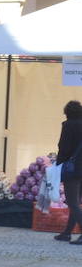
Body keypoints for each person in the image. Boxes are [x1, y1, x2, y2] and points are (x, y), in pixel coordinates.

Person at [54, 101, 82, 243]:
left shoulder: (68, 125)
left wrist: (58, 165)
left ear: (67, 112)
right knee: (76, 202)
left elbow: (63, 147)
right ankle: (67, 232)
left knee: (72, 201)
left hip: (73, 169)